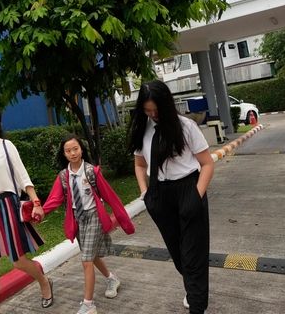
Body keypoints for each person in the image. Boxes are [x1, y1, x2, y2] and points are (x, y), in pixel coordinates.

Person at [129, 80, 215, 314]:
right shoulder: (143, 130)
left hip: (188, 188)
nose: (153, 115)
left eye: (156, 110)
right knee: (178, 256)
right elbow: (139, 165)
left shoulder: (186, 126)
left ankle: (197, 306)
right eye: (147, 110)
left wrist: (196, 196)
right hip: (159, 195)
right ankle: (192, 288)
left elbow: (207, 164)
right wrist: (145, 192)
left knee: (193, 257)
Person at [0, 106, 53, 313]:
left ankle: (43, 281)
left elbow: (23, 177)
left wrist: (36, 202)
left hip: (9, 206)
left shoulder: (6, 145)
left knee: (19, 262)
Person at [42, 134, 136, 314]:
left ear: (81, 149)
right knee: (91, 256)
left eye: (75, 149)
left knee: (86, 260)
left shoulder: (92, 171)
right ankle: (111, 278)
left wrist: (125, 222)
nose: (72, 153)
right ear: (64, 154)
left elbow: (111, 197)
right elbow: (54, 199)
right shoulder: (63, 176)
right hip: (78, 219)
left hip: (93, 216)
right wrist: (39, 213)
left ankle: (88, 304)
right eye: (68, 150)